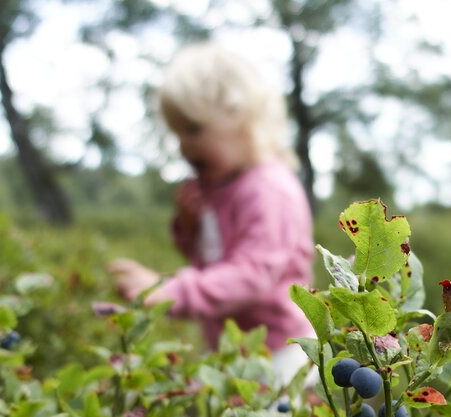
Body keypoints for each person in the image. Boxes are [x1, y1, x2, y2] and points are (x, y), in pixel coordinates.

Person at [108, 42, 315, 385]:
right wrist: (189, 230)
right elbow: (214, 260)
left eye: (193, 129)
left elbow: (250, 275)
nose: (183, 145)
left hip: (279, 354)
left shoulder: (269, 189)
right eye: (177, 133)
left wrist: (169, 291)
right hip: (230, 348)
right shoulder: (217, 188)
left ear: (240, 119)